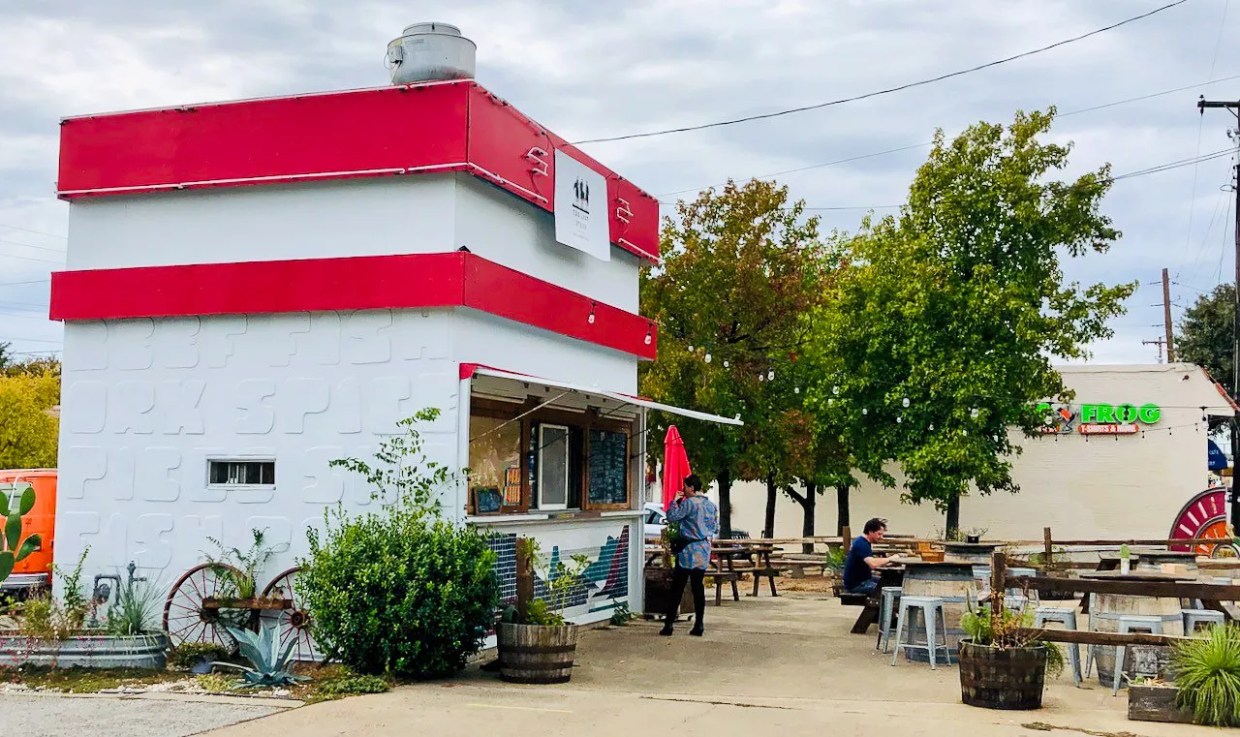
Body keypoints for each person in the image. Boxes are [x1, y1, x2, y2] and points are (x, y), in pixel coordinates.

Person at [661, 473, 718, 637]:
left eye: (685, 487)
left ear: (691, 488)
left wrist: (674, 502)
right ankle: (699, 623)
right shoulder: (711, 505)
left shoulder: (689, 504)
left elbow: (672, 517)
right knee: (697, 586)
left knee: (678, 587)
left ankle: (669, 624)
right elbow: (715, 527)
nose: (684, 490)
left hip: (688, 549)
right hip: (703, 548)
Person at [842, 518, 901, 595]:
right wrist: (890, 559)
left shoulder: (862, 542)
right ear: (870, 532)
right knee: (889, 588)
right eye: (879, 534)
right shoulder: (862, 544)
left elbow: (870, 562)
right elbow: (873, 564)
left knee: (888, 581)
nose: (881, 537)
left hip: (862, 580)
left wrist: (889, 563)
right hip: (857, 585)